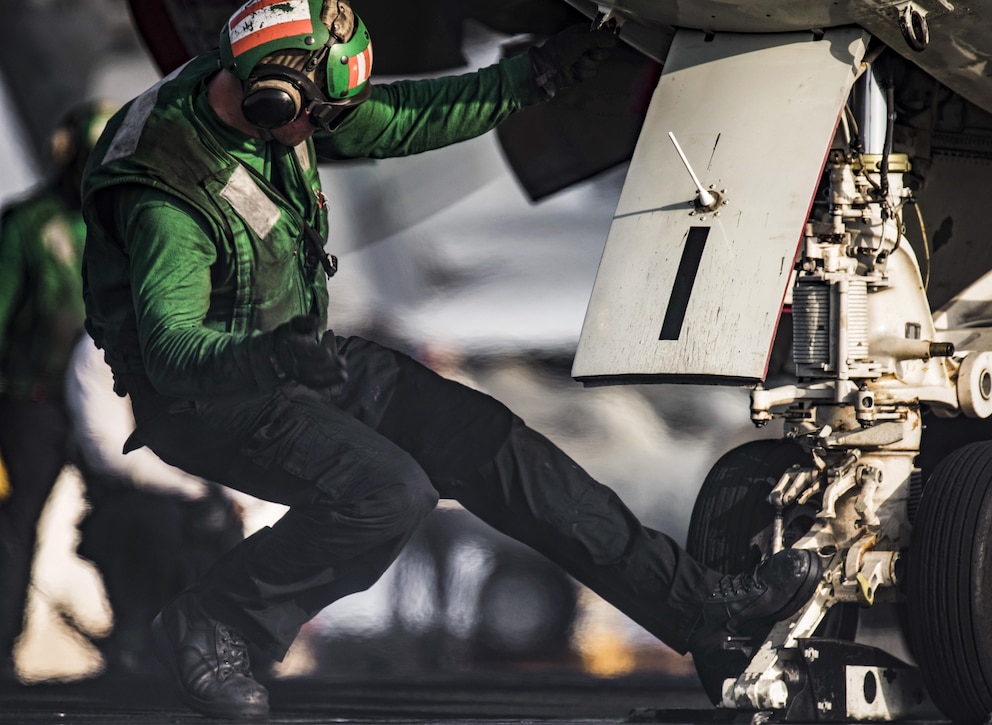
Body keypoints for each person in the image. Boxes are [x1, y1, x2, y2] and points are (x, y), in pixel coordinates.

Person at [79, 0, 822, 718]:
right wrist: (275, 353)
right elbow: (174, 351)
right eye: (322, 116)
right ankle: (216, 622)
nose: (333, 130)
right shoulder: (167, 195)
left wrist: (534, 78)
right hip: (213, 398)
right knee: (387, 493)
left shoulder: (269, 95)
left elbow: (401, 120)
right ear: (274, 100)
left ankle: (696, 607)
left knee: (493, 443)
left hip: (296, 357)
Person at [0, 100, 114, 680]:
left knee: (127, 515)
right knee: (15, 522)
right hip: (33, 403)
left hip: (106, 405)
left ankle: (139, 639)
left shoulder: (127, 225)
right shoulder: (24, 226)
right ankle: (1, 648)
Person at [65, 332, 247, 676]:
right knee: (155, 525)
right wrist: (194, 489)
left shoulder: (209, 342)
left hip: (203, 495)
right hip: (128, 499)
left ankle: (220, 649)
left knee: (232, 541)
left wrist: (230, 493)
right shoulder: (97, 350)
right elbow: (110, 452)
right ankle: (136, 643)